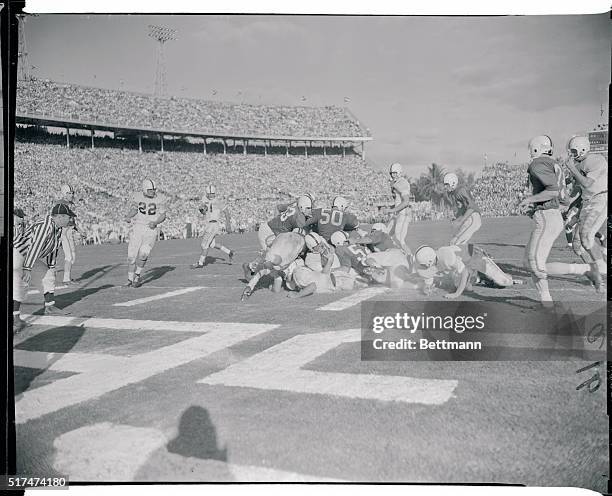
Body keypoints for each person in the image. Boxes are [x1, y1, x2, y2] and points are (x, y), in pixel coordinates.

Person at [517, 135, 600, 304]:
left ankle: (587, 269)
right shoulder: (553, 164)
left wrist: (528, 200)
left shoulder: (538, 163)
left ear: (536, 148)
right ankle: (546, 302)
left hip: (547, 218)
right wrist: (534, 206)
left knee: (536, 265)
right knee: (528, 262)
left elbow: (553, 191)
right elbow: (562, 199)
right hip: (549, 216)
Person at [13, 203, 75, 333]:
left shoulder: (57, 228)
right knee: (21, 284)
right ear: (60, 216)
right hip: (18, 253)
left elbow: (53, 250)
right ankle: (15, 318)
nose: (70, 220)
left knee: (47, 275)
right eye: (68, 217)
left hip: (29, 256)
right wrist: (27, 268)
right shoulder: (45, 225)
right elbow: (35, 246)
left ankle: (49, 307)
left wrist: (51, 266)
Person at [563, 135, 607, 282]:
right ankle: (596, 274)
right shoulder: (577, 164)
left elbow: (587, 183)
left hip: (600, 199)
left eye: (574, 151)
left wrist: (572, 169)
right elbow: (578, 187)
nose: (572, 154)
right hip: (587, 202)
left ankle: (603, 268)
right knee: (577, 245)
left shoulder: (596, 160)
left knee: (587, 238)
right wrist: (567, 201)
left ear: (583, 149)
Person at [124, 179, 168, 288]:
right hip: (137, 228)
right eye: (150, 190)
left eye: (154, 189)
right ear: (144, 190)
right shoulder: (137, 196)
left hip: (150, 229)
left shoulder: (160, 199)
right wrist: (128, 216)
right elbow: (135, 210)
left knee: (144, 254)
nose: (153, 192)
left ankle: (137, 276)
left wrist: (156, 222)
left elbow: (163, 215)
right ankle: (130, 279)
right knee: (131, 257)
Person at [191, 185, 234, 269]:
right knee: (212, 244)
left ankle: (200, 262)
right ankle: (229, 252)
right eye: (209, 194)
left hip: (213, 225)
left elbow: (226, 212)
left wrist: (228, 224)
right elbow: (204, 211)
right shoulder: (204, 199)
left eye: (212, 194)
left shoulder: (218, 201)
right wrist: (202, 210)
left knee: (204, 245)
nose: (211, 195)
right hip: (208, 224)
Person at [443, 172, 482, 245]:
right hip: (468, 217)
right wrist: (456, 218)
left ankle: (462, 252)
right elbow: (462, 209)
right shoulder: (452, 194)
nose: (445, 187)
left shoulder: (460, 190)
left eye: (447, 184)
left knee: (459, 241)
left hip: (474, 217)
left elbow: (471, 207)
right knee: (453, 242)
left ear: (453, 183)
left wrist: (460, 221)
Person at [386, 163, 413, 256]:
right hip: (398, 214)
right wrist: (392, 208)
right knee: (386, 235)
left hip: (404, 214)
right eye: (391, 173)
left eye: (394, 173)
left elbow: (406, 202)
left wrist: (392, 210)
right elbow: (398, 201)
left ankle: (410, 260)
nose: (393, 175)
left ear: (399, 173)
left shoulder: (402, 182)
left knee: (399, 239)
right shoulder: (396, 183)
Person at [55, 184, 79, 284]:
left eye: (72, 193)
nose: (72, 195)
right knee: (69, 256)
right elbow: (60, 219)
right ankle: (66, 279)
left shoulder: (70, 204)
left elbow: (72, 220)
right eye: (69, 193)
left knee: (73, 256)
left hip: (69, 232)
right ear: (64, 194)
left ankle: (67, 276)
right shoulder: (60, 204)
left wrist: (79, 230)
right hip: (63, 232)